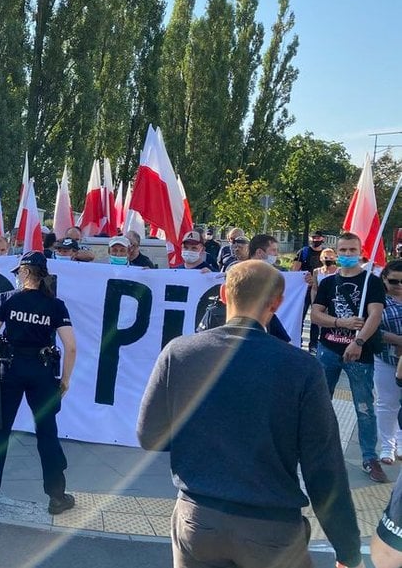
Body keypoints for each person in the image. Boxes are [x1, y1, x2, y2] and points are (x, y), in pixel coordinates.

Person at [137, 260, 363, 568]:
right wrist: (347, 549)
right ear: (277, 302)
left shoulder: (179, 352)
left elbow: (150, 437)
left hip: (198, 518)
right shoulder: (302, 367)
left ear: (223, 294)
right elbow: (323, 467)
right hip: (271, 528)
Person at [0, 251, 77, 515]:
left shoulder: (7, 299)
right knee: (47, 434)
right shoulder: (56, 305)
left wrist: (1, 356)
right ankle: (56, 497)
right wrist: (65, 380)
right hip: (42, 372)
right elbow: (71, 347)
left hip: (10, 369)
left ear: (22, 272)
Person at [311, 232, 388, 483]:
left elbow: (374, 315)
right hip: (328, 350)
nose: (346, 255)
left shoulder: (371, 282)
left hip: (359, 354)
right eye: (342, 251)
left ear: (360, 251)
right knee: (320, 403)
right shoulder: (327, 283)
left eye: (351, 250)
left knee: (364, 407)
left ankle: (369, 457)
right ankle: (317, 451)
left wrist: (358, 341)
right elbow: (316, 315)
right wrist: (339, 321)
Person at [376, 259, 402, 465]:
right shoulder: (377, 300)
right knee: (387, 403)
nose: (399, 286)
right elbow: (371, 327)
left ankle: (401, 442)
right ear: (384, 279)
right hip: (386, 358)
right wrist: (398, 340)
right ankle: (387, 446)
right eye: (394, 282)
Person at [293, 229, 326, 352]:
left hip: (319, 290)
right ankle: (298, 342)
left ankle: (313, 344)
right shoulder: (303, 252)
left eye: (317, 238)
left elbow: (330, 271)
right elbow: (294, 271)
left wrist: (316, 280)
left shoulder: (326, 254)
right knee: (300, 317)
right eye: (313, 238)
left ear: (323, 239)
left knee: (316, 318)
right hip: (304, 290)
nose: (315, 240)